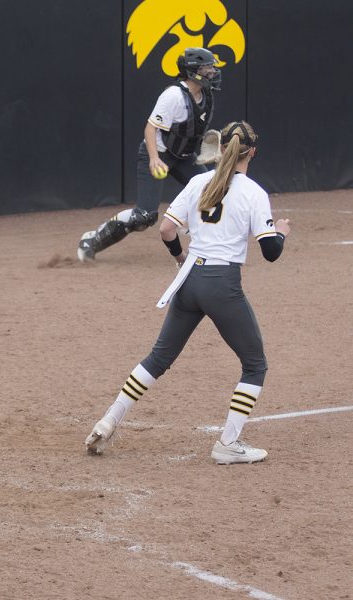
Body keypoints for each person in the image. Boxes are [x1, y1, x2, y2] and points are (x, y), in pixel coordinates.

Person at [84, 121, 291, 464]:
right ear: (251, 152)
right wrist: (280, 232)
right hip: (222, 284)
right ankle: (227, 445)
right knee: (255, 365)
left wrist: (180, 256)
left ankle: (107, 421)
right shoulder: (253, 192)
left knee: (157, 359)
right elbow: (270, 251)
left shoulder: (197, 182)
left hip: (190, 278)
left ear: (220, 148)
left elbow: (166, 228)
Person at [77, 47, 222, 262]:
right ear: (192, 71)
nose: (212, 72)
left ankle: (201, 246)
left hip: (184, 156)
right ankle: (92, 240)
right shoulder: (173, 96)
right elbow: (150, 129)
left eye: (211, 67)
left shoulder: (206, 95)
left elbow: (189, 129)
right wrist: (154, 159)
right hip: (158, 153)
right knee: (144, 217)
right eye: (207, 68)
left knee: (211, 193)